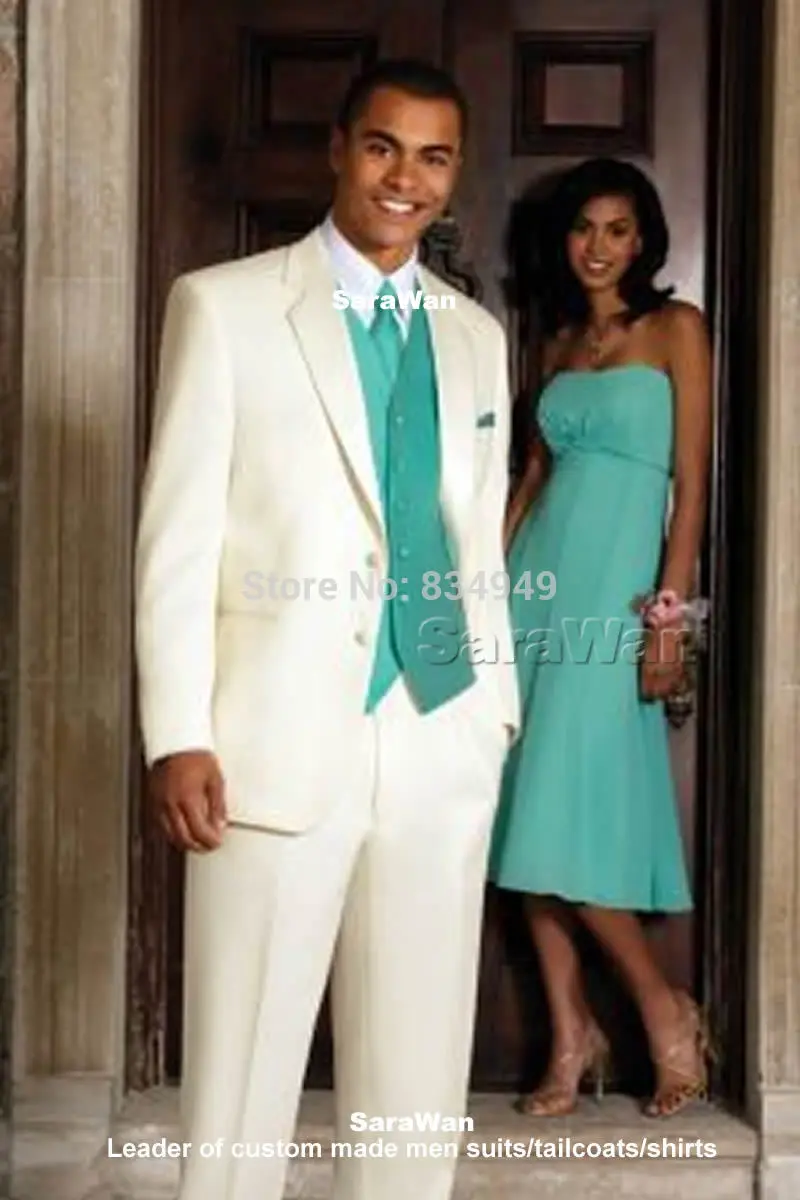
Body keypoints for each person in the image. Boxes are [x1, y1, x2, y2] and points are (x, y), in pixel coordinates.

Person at [134, 58, 519, 1200]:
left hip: (437, 737)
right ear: (339, 150)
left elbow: (475, 547)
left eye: (433, 157)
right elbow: (178, 538)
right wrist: (176, 731)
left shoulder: (473, 337)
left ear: (453, 177)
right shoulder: (226, 306)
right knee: (241, 1086)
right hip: (270, 742)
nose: (405, 178)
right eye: (383, 147)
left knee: (411, 1093)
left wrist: (491, 715)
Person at [488, 157, 713, 1118]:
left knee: (555, 818)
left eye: (618, 229)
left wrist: (669, 618)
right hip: (531, 597)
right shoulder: (557, 345)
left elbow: (691, 486)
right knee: (518, 814)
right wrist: (477, 594)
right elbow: (533, 479)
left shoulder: (677, 330)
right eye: (585, 227)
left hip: (615, 605)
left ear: (644, 240)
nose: (598, 246)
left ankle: (664, 1013)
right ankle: (568, 1034)